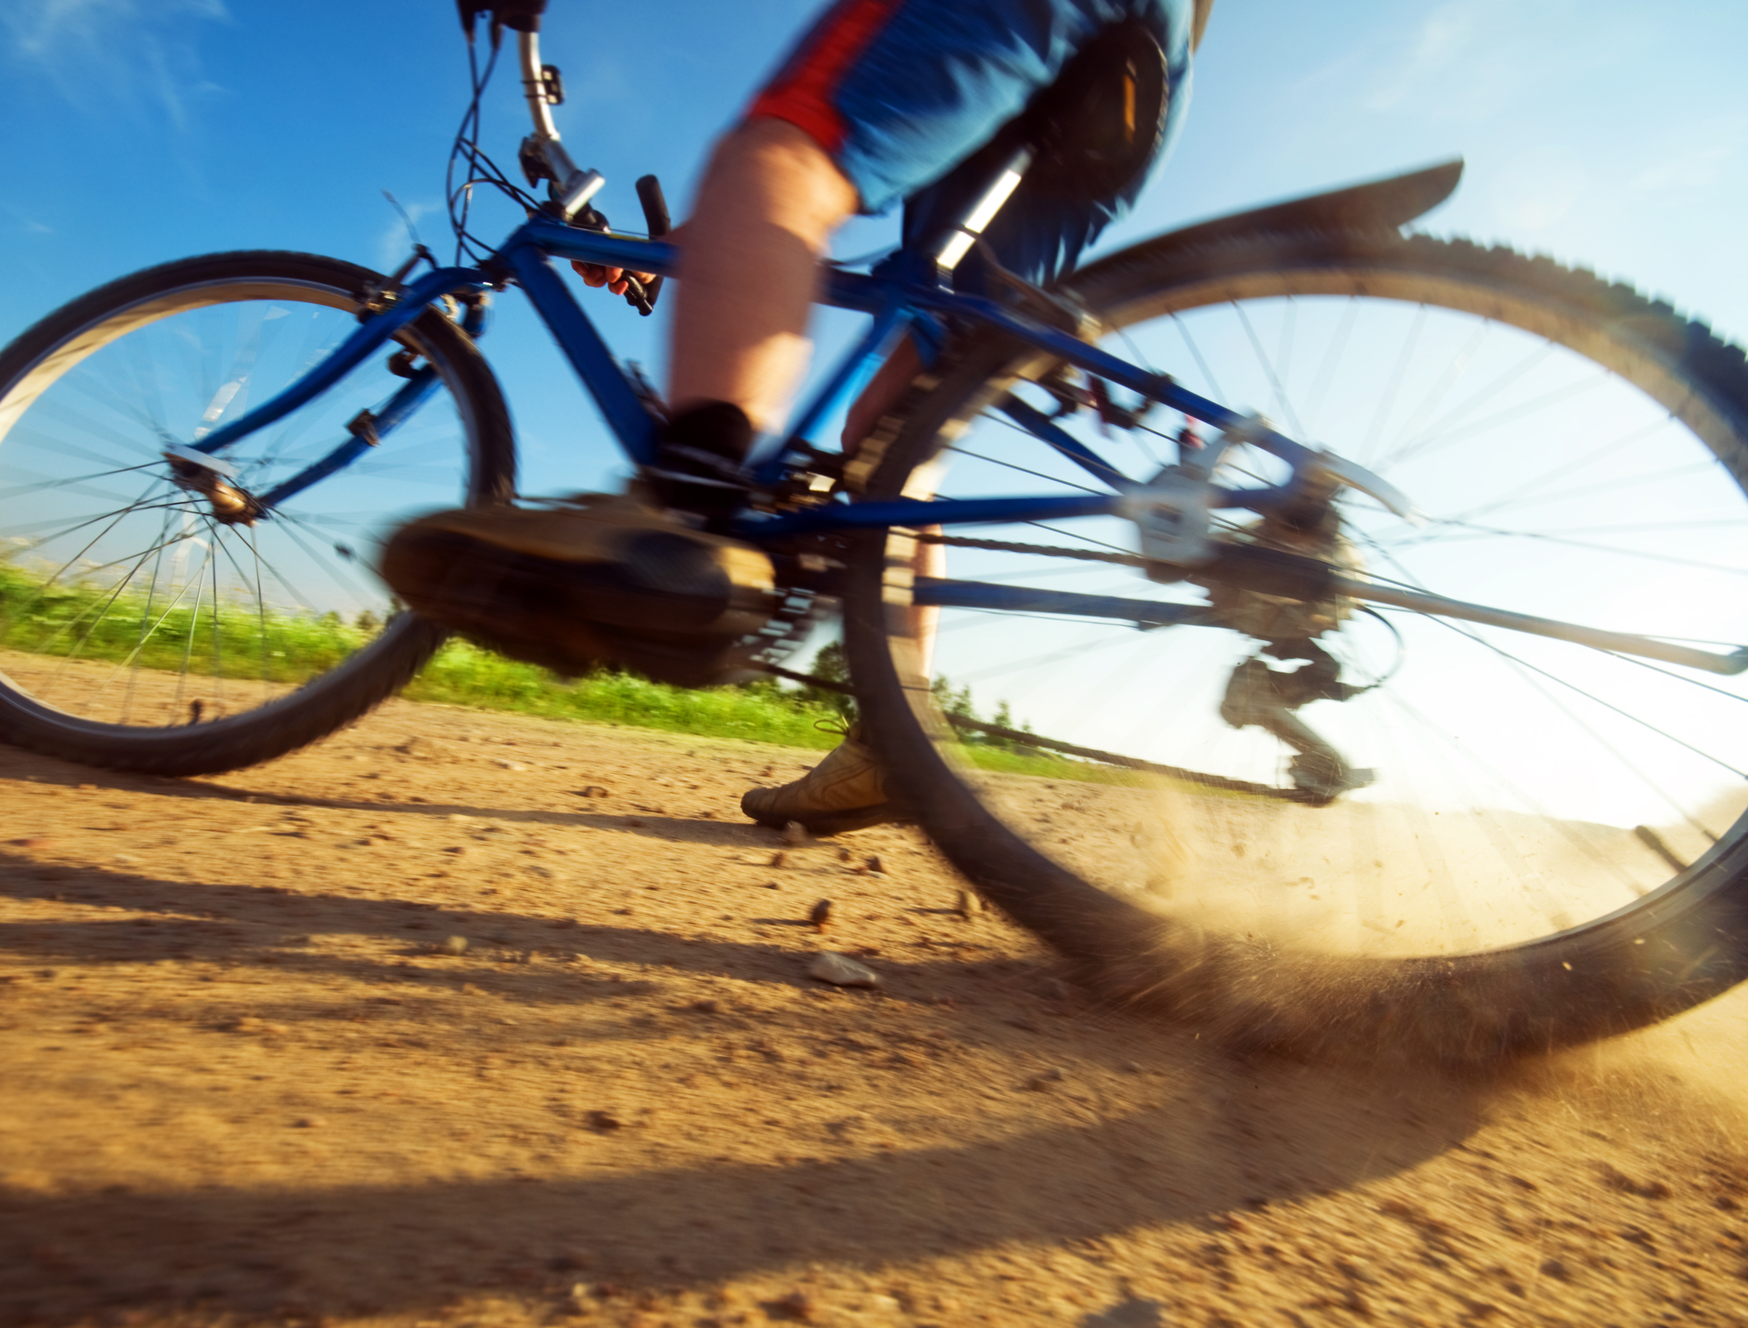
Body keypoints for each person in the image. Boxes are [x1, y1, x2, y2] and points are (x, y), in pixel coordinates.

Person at [387, 0, 1211, 833]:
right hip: (1139, 74)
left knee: (773, 156)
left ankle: (689, 514)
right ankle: (895, 739)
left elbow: (780, 178)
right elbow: (755, 241)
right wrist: (694, 257)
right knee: (894, 427)